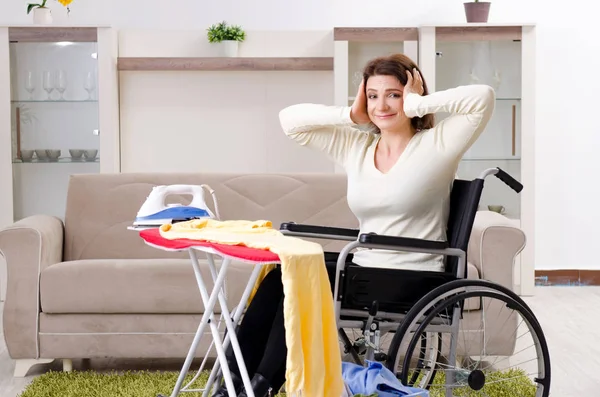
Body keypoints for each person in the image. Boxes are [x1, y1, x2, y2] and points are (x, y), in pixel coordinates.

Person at [211, 53, 495, 397]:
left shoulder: (438, 145)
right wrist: (350, 114)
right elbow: (290, 121)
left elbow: (483, 98)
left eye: (393, 94)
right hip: (364, 269)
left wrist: (420, 103)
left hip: (412, 277)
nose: (382, 105)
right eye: (373, 95)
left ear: (410, 94)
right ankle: (233, 385)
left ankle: (262, 388)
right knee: (280, 276)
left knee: (298, 283)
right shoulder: (357, 146)